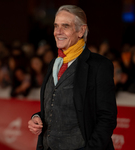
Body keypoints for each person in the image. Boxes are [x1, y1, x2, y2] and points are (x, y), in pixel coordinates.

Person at [28, 5, 117, 150]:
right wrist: (37, 118)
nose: (58, 32)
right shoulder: (54, 63)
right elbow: (56, 105)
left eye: (65, 26)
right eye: (56, 26)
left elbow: (107, 118)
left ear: (81, 31)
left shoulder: (99, 65)